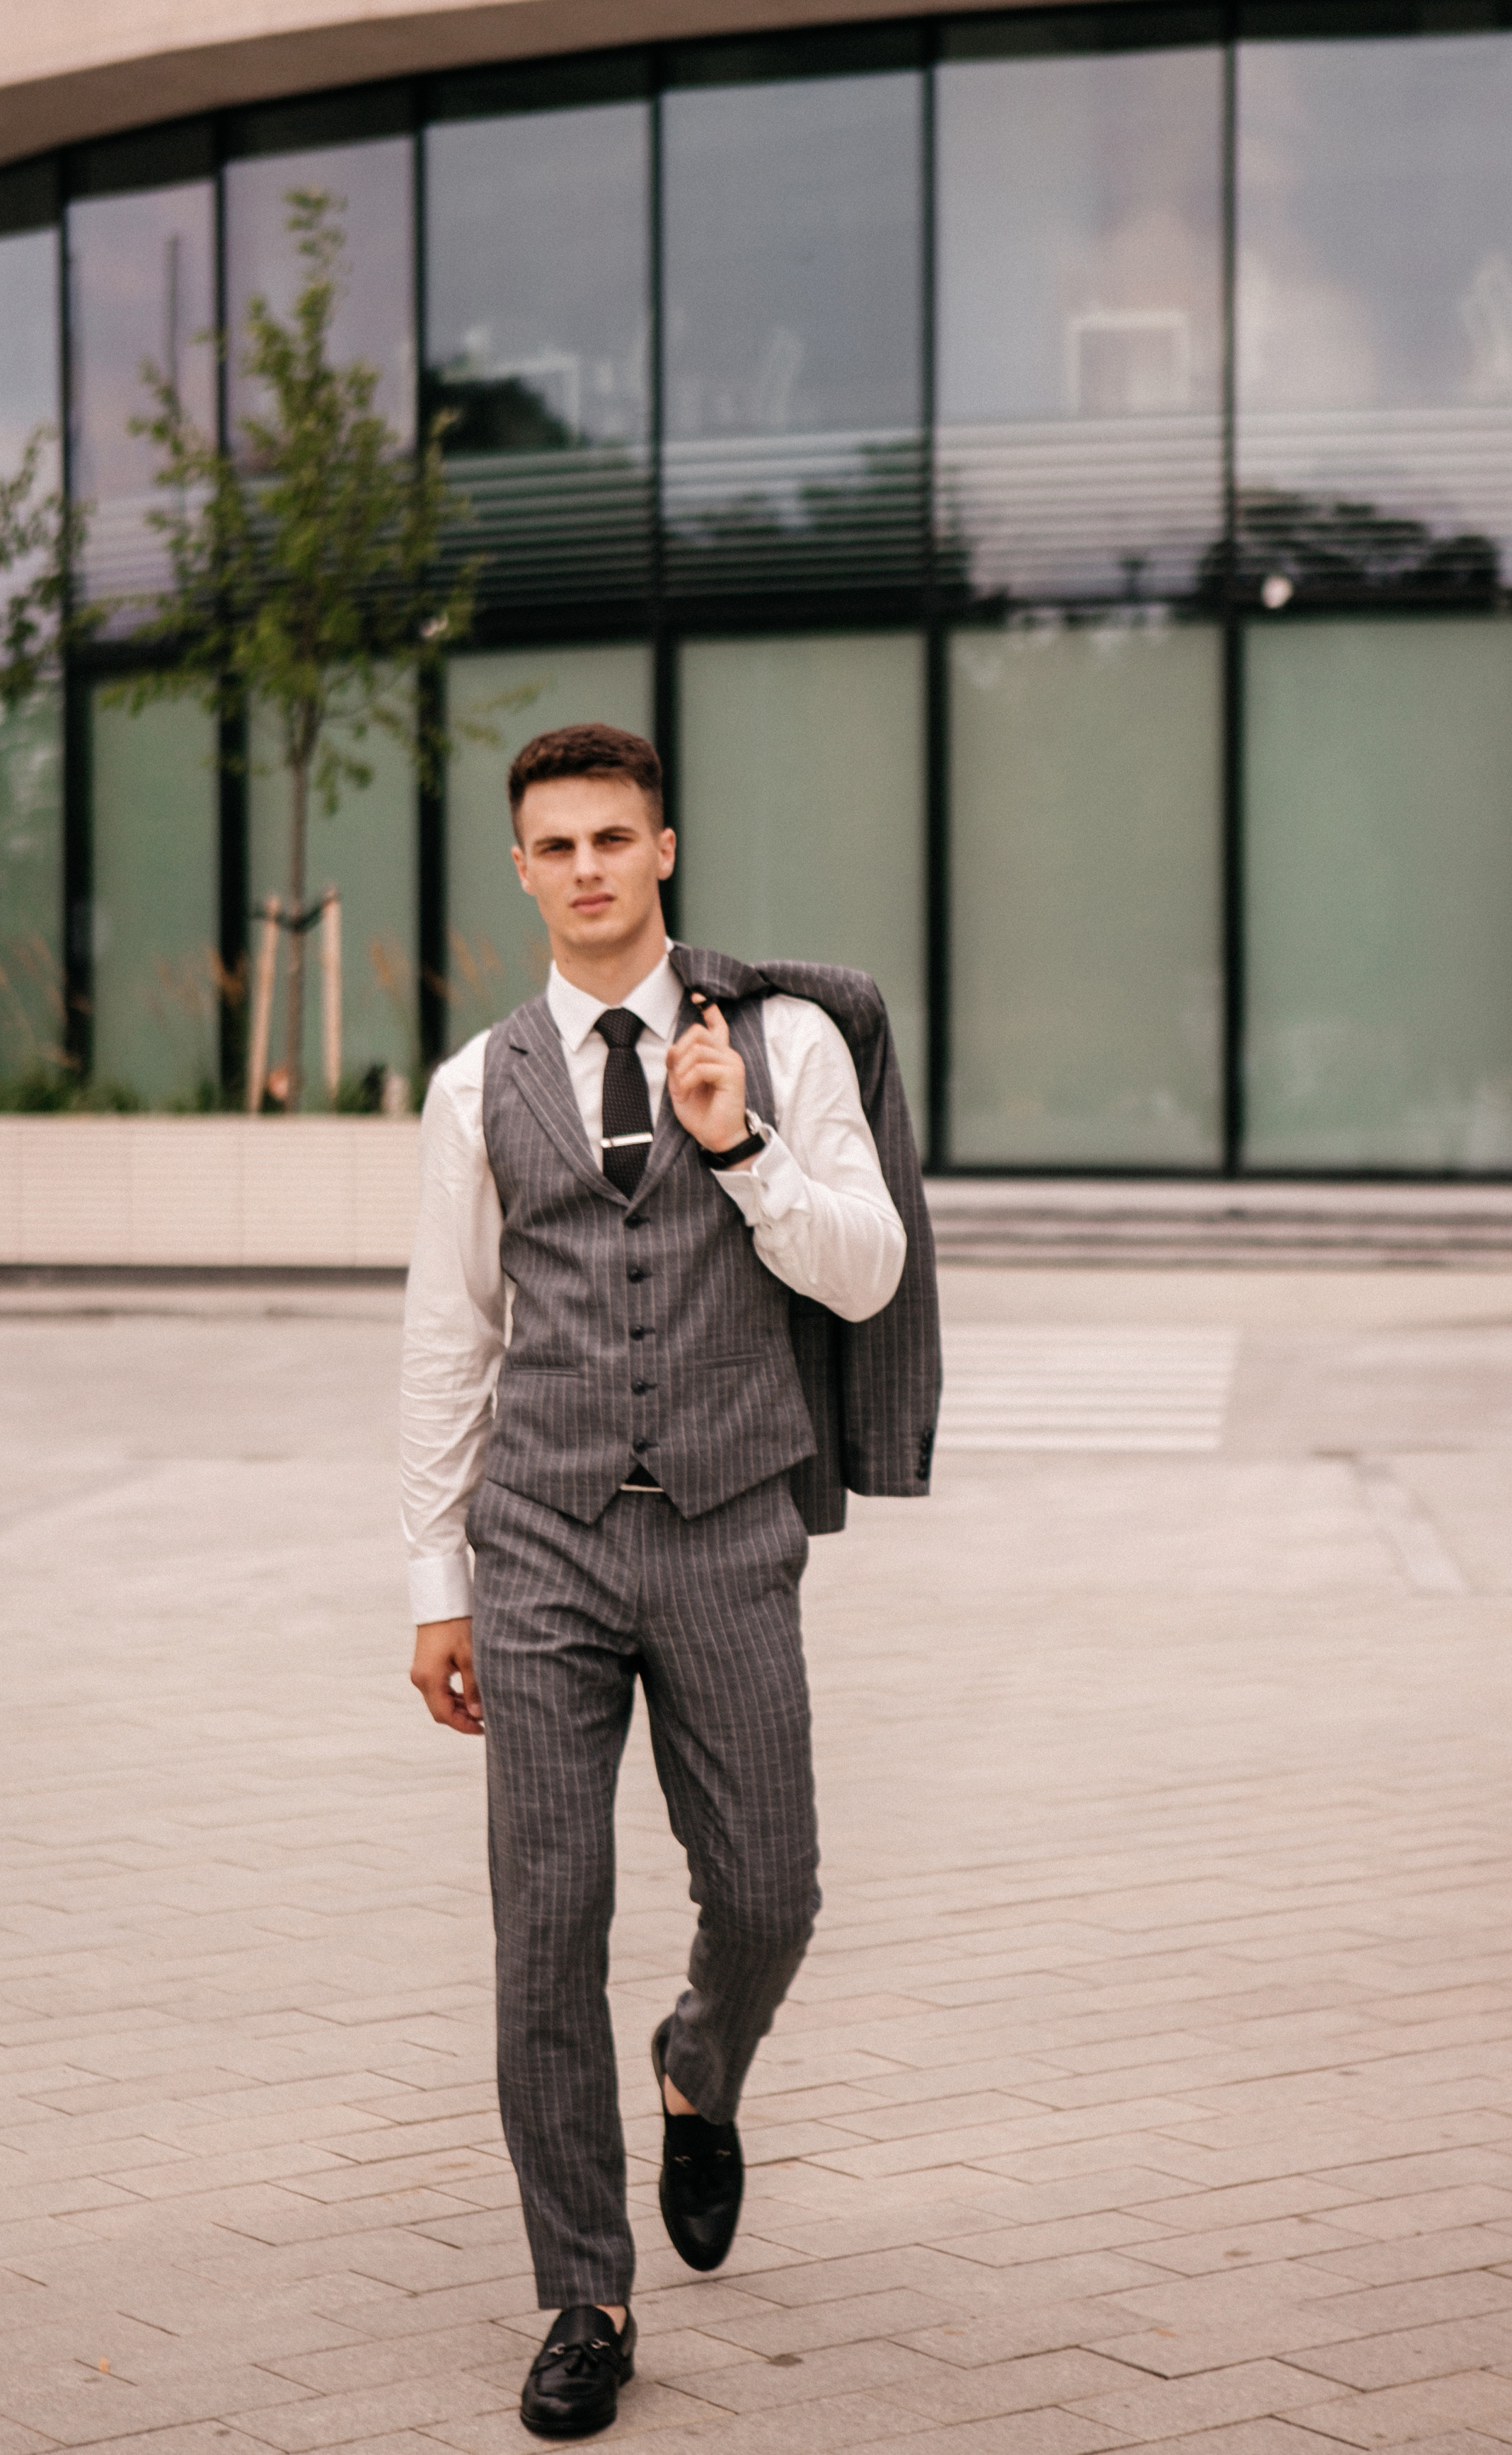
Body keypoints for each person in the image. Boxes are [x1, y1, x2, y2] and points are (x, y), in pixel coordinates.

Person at [401, 722, 920, 2439]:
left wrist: (745, 1150)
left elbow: (867, 1272)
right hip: (540, 1539)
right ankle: (585, 2293)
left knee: (772, 1890)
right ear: (522, 868)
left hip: (724, 1527)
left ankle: (700, 2067)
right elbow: (448, 1342)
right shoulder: (476, 1086)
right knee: (544, 1936)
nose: (587, 870)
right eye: (555, 846)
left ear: (667, 849)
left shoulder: (781, 1040)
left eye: (614, 839)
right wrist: (433, 1576)